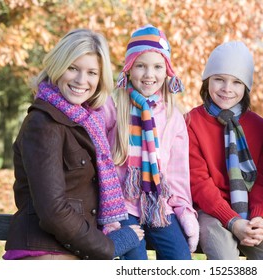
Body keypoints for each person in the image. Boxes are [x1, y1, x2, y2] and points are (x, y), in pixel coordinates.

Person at [3, 28, 144, 260]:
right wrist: (107, 246)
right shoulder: (44, 123)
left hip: (69, 251)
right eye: (73, 68)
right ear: (58, 67)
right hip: (45, 253)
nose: (81, 80)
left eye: (92, 72)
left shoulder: (87, 121)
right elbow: (53, 211)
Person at [105, 24, 199, 260]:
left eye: (158, 67)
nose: (149, 75)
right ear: (128, 69)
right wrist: (109, 218)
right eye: (141, 66)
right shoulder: (114, 110)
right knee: (134, 260)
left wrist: (185, 214)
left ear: (167, 71)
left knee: (180, 258)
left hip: (159, 206)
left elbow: (178, 176)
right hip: (122, 207)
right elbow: (102, 165)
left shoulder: (172, 117)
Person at [187, 41, 263, 260]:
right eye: (219, 79)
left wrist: (260, 218)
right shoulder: (192, 122)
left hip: (249, 210)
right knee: (223, 255)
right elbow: (199, 182)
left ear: (246, 88)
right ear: (207, 80)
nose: (227, 88)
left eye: (236, 82)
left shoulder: (258, 126)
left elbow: (261, 180)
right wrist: (232, 220)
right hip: (210, 211)